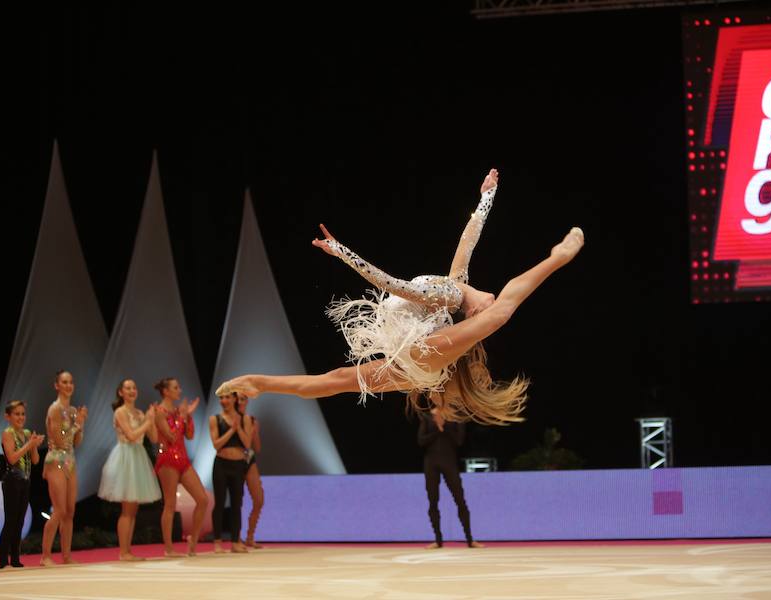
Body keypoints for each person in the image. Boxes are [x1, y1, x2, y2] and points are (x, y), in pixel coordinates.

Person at [218, 169, 584, 425]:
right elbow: (469, 238)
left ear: (473, 312)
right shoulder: (455, 286)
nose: (491, 297)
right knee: (338, 379)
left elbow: (392, 285)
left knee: (503, 314)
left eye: (485, 306)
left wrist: (342, 251)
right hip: (418, 358)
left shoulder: (447, 298)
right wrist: (487, 196)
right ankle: (259, 382)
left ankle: (558, 259)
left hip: (422, 350)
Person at [98, 379, 162, 561]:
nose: (132, 390)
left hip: (138, 458)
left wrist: (152, 419)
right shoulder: (120, 412)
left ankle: (128, 550)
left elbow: (155, 437)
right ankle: (123, 551)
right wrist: (147, 421)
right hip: (126, 458)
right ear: (121, 392)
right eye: (128, 388)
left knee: (133, 509)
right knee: (127, 509)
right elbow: (132, 435)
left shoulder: (139, 413)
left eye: (134, 387)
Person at [153, 377, 207, 557]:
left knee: (202, 499)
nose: (180, 390)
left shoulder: (178, 411)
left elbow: (190, 436)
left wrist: (188, 416)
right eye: (176, 388)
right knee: (170, 504)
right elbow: (171, 437)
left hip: (183, 458)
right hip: (167, 459)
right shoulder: (159, 411)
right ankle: (168, 548)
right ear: (166, 391)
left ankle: (194, 539)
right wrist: (182, 417)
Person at [41, 370, 87, 566]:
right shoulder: (55, 409)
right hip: (56, 460)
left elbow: (75, 441)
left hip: (70, 460)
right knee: (59, 510)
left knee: (69, 511)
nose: (69, 385)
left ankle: (66, 556)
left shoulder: (73, 410)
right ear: (57, 385)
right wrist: (77, 424)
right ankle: (46, 556)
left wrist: (80, 425)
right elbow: (60, 440)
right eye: (64, 382)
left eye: (71, 382)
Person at [418, 406, 481, 549]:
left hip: (449, 462)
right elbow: (421, 440)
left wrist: (444, 426)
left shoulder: (457, 416)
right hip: (431, 463)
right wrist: (437, 429)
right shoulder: (428, 417)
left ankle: (470, 539)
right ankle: (438, 540)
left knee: (460, 499)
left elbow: (459, 440)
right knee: (433, 501)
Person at [0, 401, 44, 568]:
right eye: (16, 414)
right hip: (12, 481)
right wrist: (29, 444)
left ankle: (16, 559)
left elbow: (36, 460)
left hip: (25, 481)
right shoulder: (7, 433)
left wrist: (34, 446)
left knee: (20, 521)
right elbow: (12, 458)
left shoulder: (26, 433)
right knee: (10, 520)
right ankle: (3, 561)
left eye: (23, 414)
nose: (21, 417)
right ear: (8, 416)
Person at [209, 392, 249, 553]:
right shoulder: (215, 419)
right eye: (221, 398)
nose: (223, 401)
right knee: (219, 502)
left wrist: (238, 427)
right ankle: (217, 541)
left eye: (227, 397)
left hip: (238, 464)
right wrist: (231, 430)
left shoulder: (244, 418)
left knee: (236, 503)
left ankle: (235, 541)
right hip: (221, 464)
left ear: (234, 399)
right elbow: (216, 444)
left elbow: (247, 443)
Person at [236, 393, 263, 549]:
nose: (240, 402)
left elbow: (257, 447)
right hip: (234, 460)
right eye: (238, 399)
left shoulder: (252, 420)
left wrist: (254, 432)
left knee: (259, 499)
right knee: (236, 500)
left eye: (243, 399)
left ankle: (250, 536)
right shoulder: (229, 419)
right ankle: (236, 537)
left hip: (249, 459)